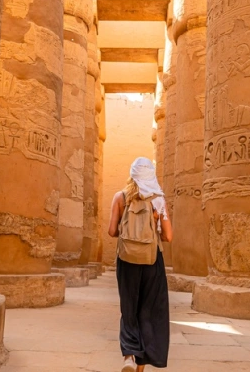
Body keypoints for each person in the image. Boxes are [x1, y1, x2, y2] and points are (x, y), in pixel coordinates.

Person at [108, 157, 173, 372]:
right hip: (152, 260)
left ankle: (128, 356)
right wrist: (153, 227)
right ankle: (141, 367)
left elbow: (111, 232)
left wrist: (129, 232)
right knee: (148, 311)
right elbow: (169, 237)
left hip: (127, 259)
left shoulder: (121, 197)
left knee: (129, 309)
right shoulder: (159, 200)